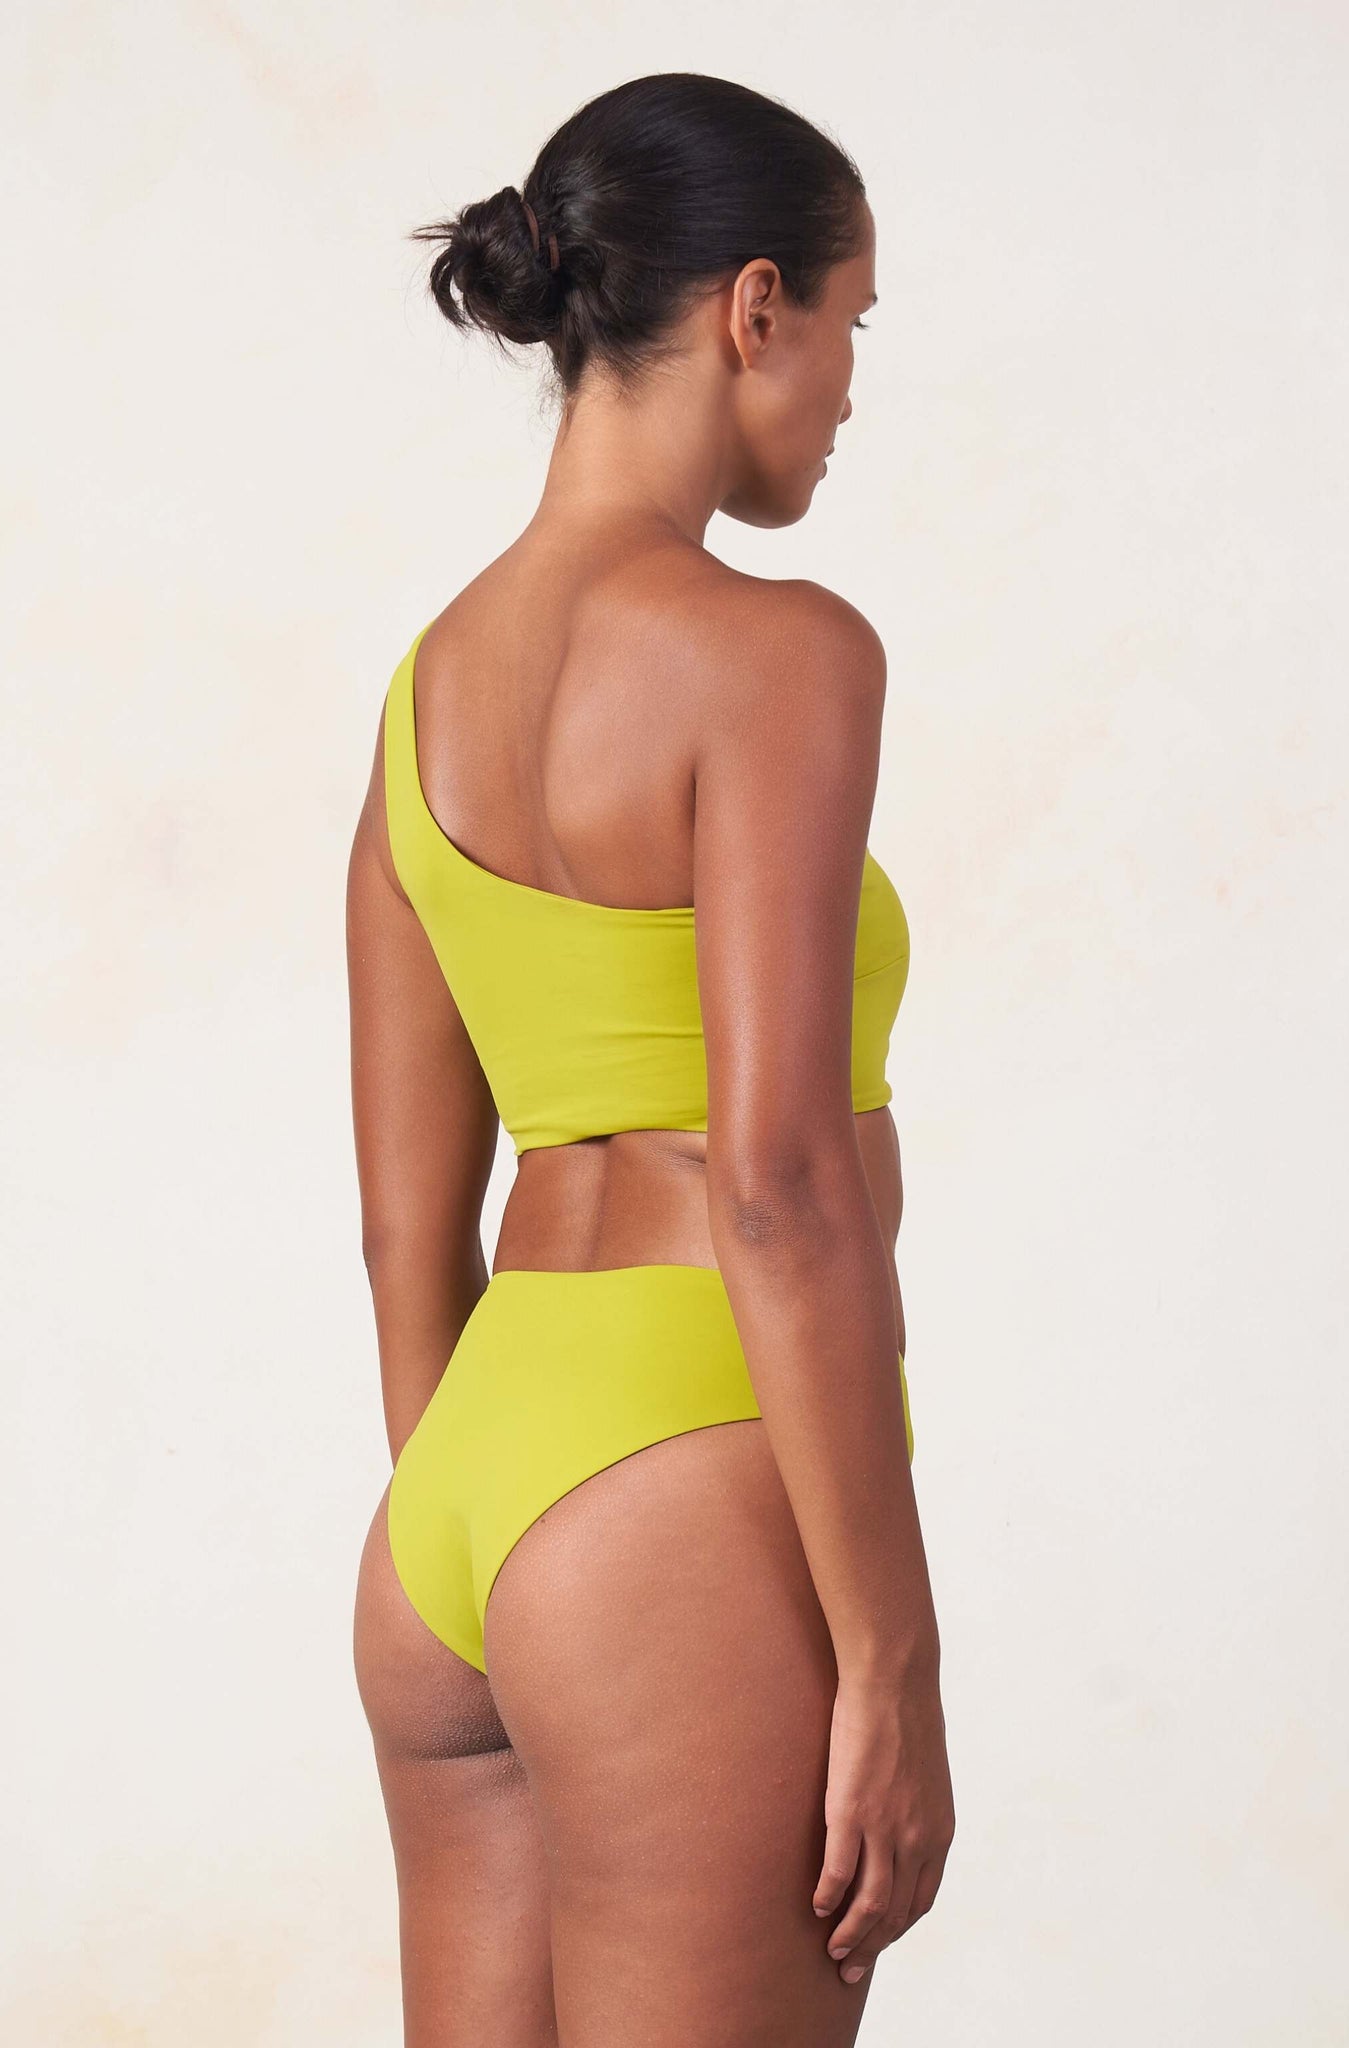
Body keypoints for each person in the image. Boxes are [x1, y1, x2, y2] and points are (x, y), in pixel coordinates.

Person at [347, 70, 954, 2048]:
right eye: (848, 323)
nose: (846, 388)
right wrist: (890, 1660)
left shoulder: (425, 697)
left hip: (463, 1491)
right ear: (753, 305)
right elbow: (773, 1187)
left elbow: (400, 1228)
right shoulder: (772, 653)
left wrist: (484, 1551)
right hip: (686, 1471)